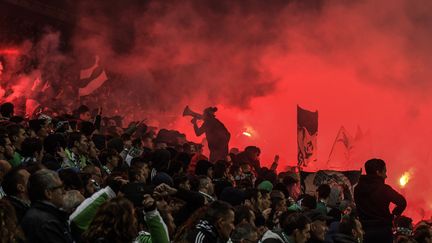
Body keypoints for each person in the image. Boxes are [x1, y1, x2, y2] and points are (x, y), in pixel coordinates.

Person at [354, 158, 407, 243]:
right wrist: (393, 216)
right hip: (383, 231)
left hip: (365, 231)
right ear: (378, 172)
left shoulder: (357, 189)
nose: (386, 175)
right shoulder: (384, 189)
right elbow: (402, 202)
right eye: (384, 171)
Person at [21, 169, 73, 243]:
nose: (64, 192)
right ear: (48, 193)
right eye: (61, 187)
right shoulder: (46, 224)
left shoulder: (43, 216)